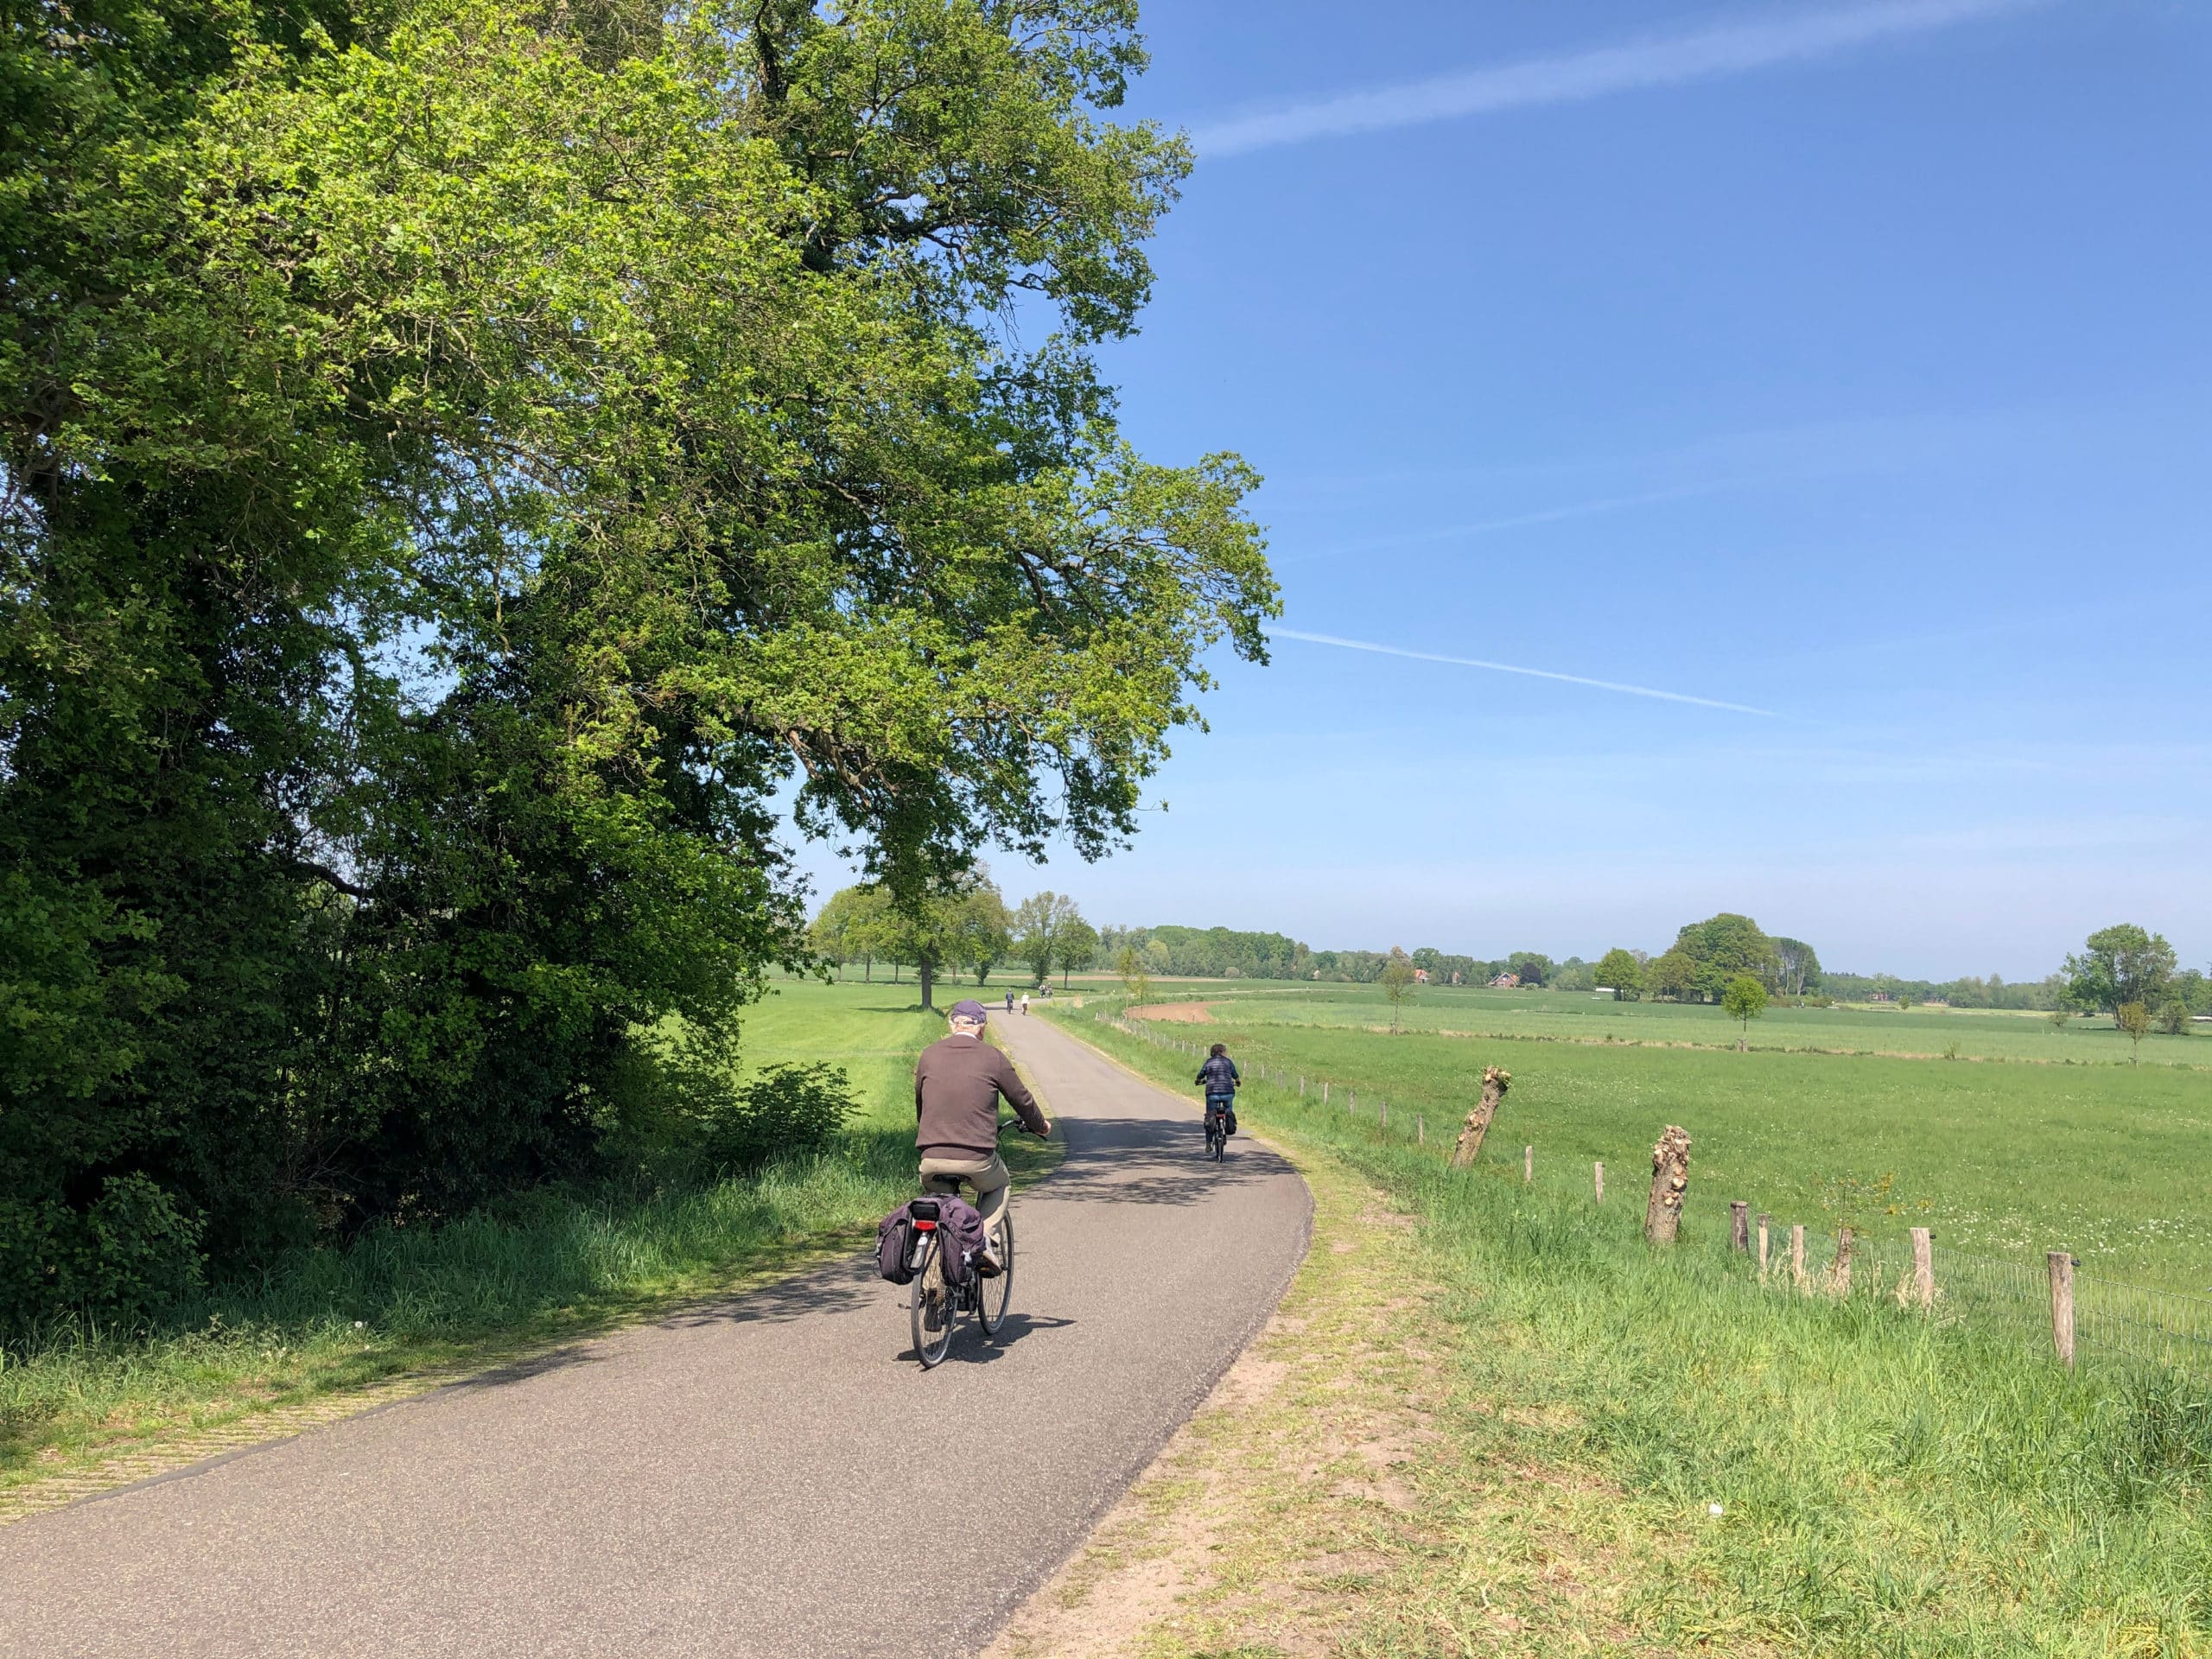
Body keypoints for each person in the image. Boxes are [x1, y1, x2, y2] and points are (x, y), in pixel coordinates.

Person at [913, 1000, 1050, 1274]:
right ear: (981, 1028)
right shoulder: (992, 1058)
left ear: (953, 1025)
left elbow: (921, 1104)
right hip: (977, 1159)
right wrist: (1041, 1126)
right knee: (1000, 1184)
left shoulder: (928, 1054)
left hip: (931, 1158)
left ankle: (932, 1278)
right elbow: (1022, 1100)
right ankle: (984, 1242)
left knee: (940, 1201)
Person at [1195, 1042, 1240, 1142]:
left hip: (1212, 1093)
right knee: (1228, 1110)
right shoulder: (1228, 1062)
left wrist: (1198, 1080)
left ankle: (1208, 1143)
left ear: (1212, 1052)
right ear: (1223, 1052)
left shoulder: (1209, 1062)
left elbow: (1201, 1074)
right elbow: (1235, 1075)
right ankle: (1227, 1123)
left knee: (1210, 1116)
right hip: (1227, 1092)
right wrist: (1238, 1081)